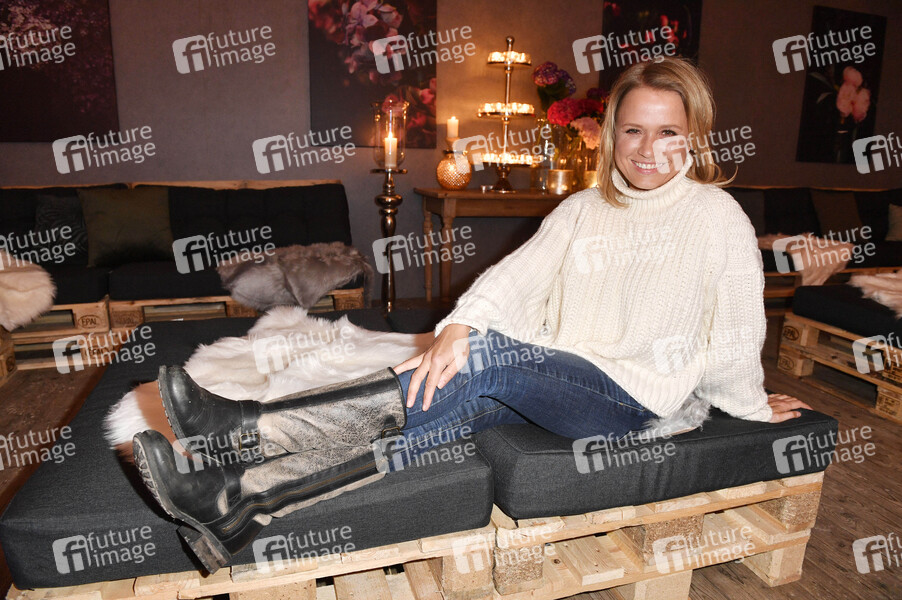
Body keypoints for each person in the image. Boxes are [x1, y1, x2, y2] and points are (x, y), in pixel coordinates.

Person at [132, 57, 812, 573]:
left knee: (486, 361)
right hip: (565, 380)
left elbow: (736, 329)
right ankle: (239, 501)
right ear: (612, 132)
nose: (646, 148)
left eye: (667, 132)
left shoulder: (715, 216)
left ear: (695, 137)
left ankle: (245, 429)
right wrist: (459, 325)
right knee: (444, 401)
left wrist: (749, 406)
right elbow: (519, 276)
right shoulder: (583, 208)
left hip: (635, 400)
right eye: (633, 129)